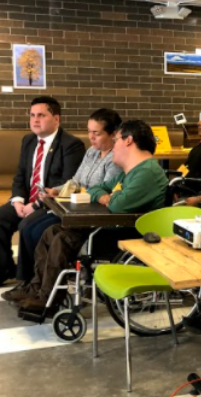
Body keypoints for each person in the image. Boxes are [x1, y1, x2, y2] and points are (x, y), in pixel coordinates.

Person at [15, 120, 169, 315]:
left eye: (117, 140)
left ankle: (48, 299)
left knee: (62, 238)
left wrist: (111, 198)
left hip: (127, 234)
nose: (115, 145)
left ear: (129, 141)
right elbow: (97, 188)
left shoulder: (146, 172)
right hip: (114, 227)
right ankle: (38, 289)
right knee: (51, 232)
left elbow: (117, 204)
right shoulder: (132, 171)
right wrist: (106, 196)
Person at [3, 108, 122, 301]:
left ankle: (44, 286)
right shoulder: (92, 152)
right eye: (89, 131)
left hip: (88, 217)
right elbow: (76, 181)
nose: (91, 137)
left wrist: (82, 193)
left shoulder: (115, 159)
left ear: (113, 134)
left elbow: (102, 192)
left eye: (97, 133)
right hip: (72, 207)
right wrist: (57, 191)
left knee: (36, 230)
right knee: (31, 227)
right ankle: (34, 283)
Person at [0, 96, 85, 289]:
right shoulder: (28, 140)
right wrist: (18, 201)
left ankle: (26, 278)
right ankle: (5, 268)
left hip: (51, 204)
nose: (35, 120)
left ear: (56, 119)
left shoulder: (71, 144)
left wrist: (35, 205)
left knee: (27, 225)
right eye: (32, 115)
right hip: (27, 200)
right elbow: (21, 174)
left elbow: (67, 184)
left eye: (41, 115)